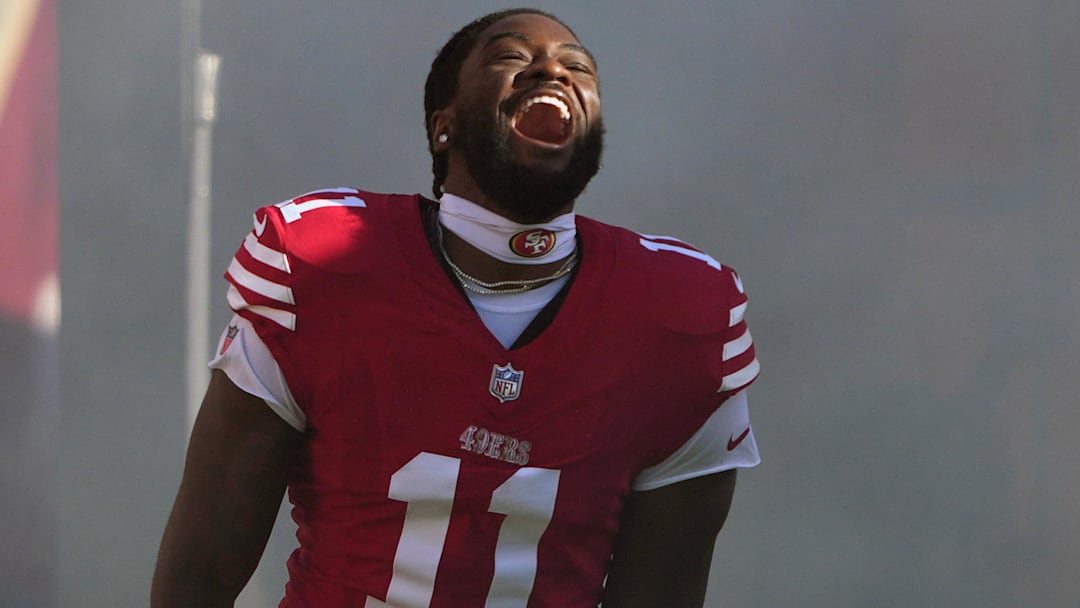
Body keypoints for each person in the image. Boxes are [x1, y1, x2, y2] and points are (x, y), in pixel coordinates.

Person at [152, 8, 761, 607]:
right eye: (511, 56)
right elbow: (202, 570)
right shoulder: (322, 265)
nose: (551, 71)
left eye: (578, 67)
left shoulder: (682, 316)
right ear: (443, 126)